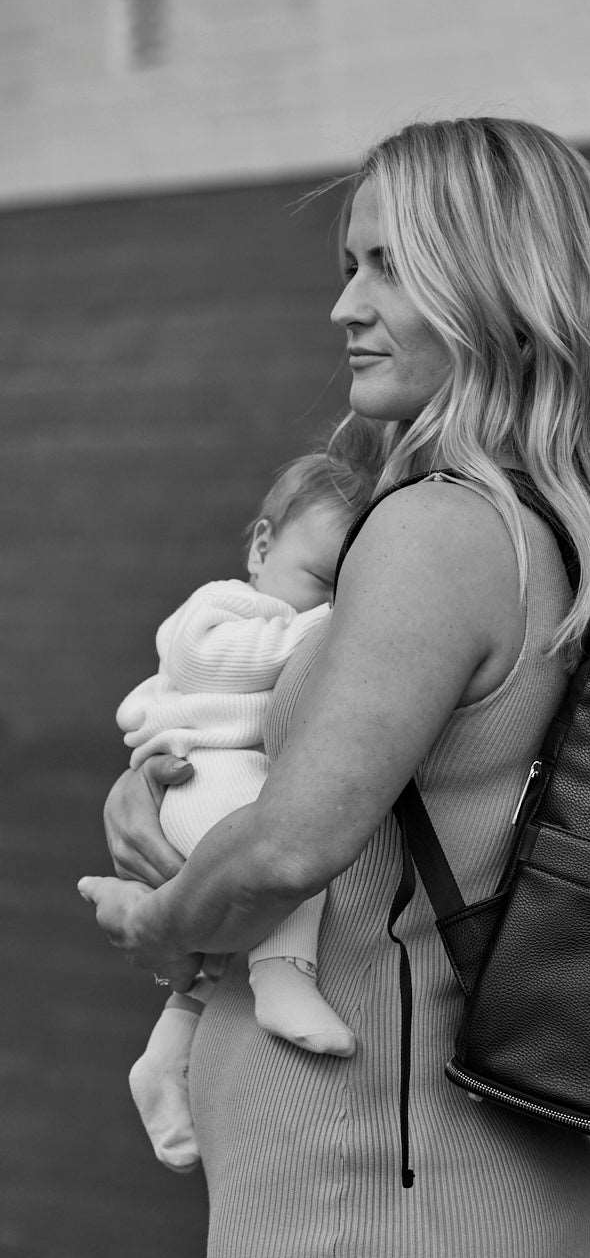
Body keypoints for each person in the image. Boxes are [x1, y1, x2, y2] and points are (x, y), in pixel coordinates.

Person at [78, 117, 590, 1258]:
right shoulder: (561, 522)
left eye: (388, 266)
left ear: (497, 283)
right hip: (480, 1192)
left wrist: (160, 924)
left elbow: (294, 847)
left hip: (365, 1211)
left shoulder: (433, 529)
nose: (344, 304)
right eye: (348, 266)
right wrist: (161, 787)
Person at [117, 450, 374, 1175]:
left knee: (218, 956)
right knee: (283, 854)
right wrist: (333, 623)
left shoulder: (292, 613)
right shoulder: (221, 606)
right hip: (205, 778)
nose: (329, 603)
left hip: (228, 780)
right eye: (320, 581)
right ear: (263, 546)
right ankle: (284, 975)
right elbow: (211, 664)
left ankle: (166, 1058)